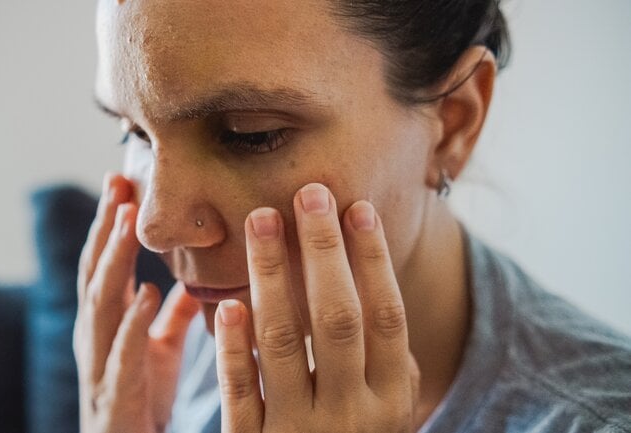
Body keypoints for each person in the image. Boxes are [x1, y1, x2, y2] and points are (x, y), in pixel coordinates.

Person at [73, 0, 631, 432]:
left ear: (454, 123)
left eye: (251, 134)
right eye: (135, 132)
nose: (155, 224)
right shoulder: (201, 344)